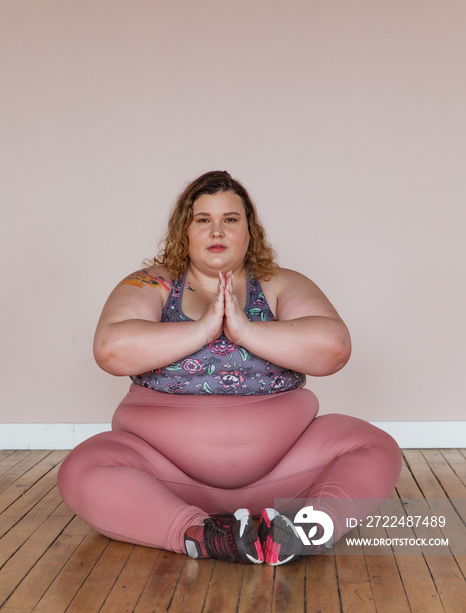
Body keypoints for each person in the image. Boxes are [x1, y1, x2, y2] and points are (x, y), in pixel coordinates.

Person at [58, 170, 401, 565]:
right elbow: (110, 349)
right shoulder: (153, 283)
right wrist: (204, 329)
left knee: (372, 445)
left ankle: (308, 528)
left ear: (249, 231)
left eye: (230, 220)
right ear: (184, 231)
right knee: (83, 466)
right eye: (203, 219)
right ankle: (200, 533)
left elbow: (334, 348)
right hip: (166, 477)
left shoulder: (278, 283)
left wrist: (246, 330)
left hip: (283, 471)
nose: (216, 230)